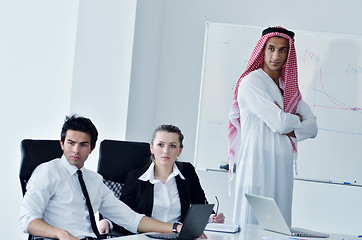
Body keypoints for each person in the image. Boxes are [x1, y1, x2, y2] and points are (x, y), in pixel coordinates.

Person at [19, 115, 182, 240]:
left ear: (91, 148)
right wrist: (61, 234)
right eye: (71, 143)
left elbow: (131, 218)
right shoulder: (47, 172)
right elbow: (27, 219)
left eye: (83, 145)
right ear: (62, 144)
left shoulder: (94, 181)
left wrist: (174, 227)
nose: (76, 150)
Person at [227, 26, 318, 227]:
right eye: (271, 48)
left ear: (289, 53)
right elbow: (279, 123)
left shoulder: (288, 89)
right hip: (257, 164)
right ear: (263, 50)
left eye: (282, 50)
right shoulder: (252, 82)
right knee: (252, 226)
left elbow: (313, 128)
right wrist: (295, 119)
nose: (275, 55)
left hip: (282, 166)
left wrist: (288, 120)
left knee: (279, 227)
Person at [98, 124, 225, 235]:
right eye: (160, 145)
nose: (166, 151)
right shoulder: (136, 177)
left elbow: (200, 204)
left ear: (180, 150)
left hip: (179, 236)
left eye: (173, 146)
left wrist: (212, 217)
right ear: (151, 148)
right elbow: (125, 213)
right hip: (146, 236)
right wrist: (107, 222)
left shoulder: (187, 172)